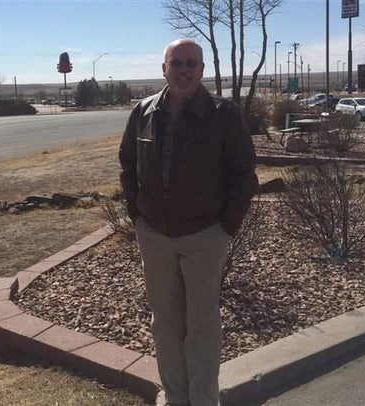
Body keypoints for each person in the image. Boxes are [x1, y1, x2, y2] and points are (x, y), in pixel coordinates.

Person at [119, 38, 258, 406]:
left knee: (201, 325)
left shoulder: (224, 116)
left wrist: (224, 228)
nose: (183, 70)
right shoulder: (143, 112)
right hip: (155, 236)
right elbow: (128, 166)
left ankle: (203, 400)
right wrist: (138, 218)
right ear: (163, 68)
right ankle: (176, 398)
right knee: (164, 322)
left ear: (201, 70)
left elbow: (243, 176)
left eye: (191, 64)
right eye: (176, 62)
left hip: (204, 236)